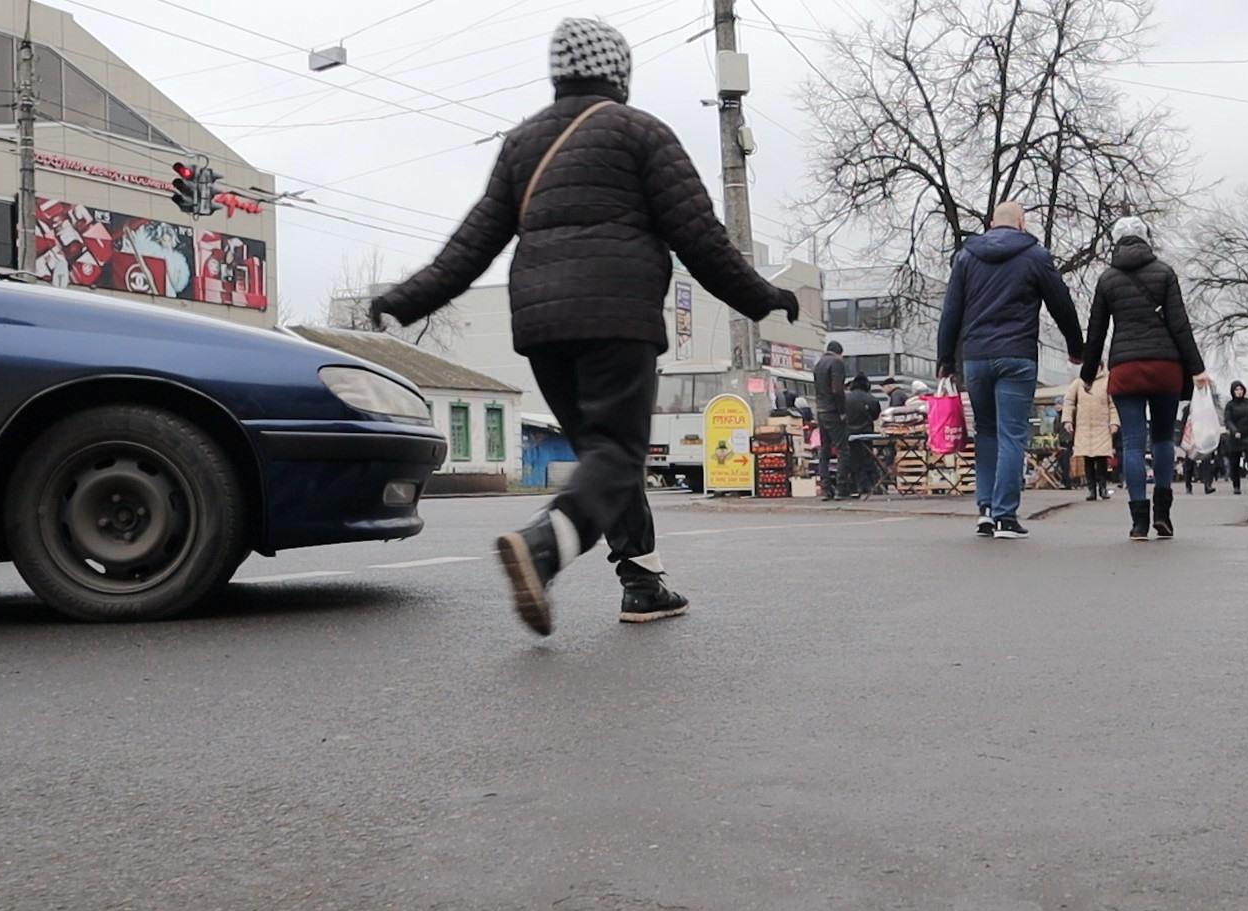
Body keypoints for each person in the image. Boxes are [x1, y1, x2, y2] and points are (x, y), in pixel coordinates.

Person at [368, 18, 798, 636]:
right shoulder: (640, 133)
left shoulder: (522, 144)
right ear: (617, 72)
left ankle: (643, 583)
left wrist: (405, 298)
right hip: (617, 317)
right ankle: (542, 548)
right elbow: (702, 240)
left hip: (542, 326)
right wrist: (763, 298)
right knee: (618, 455)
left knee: (605, 456)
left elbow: (471, 245)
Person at [937, 200, 1083, 541]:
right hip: (1017, 356)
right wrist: (1077, 349)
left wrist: (946, 360)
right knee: (1011, 434)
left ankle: (985, 511)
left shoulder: (966, 257)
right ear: (1021, 222)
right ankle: (1005, 516)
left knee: (985, 433)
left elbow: (951, 312)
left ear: (991, 223)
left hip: (976, 358)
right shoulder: (1035, 256)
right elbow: (1061, 304)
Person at [1079, 216, 1207, 541]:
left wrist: (1087, 372)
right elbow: (1179, 324)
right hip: (1165, 366)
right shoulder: (1164, 272)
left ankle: (1138, 521)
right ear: (1146, 239)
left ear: (1116, 241)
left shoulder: (1107, 279)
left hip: (1126, 368)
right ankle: (1163, 514)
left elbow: (1096, 331)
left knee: (1133, 444)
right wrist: (1196, 368)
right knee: (1163, 439)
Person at [1062, 369, 1118, 501]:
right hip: (1084, 427)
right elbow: (1069, 402)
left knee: (1102, 459)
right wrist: (1067, 420)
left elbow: (1113, 405)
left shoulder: (1107, 382)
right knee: (1088, 460)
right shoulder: (1078, 383)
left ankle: (1102, 488)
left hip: (1102, 427)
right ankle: (1091, 489)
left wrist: (1114, 422)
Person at [811, 341, 849, 500]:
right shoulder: (836, 363)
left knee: (824, 451)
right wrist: (842, 411)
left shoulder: (818, 364)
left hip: (821, 410)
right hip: (833, 411)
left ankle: (826, 489)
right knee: (843, 450)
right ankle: (841, 488)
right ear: (839, 353)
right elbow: (837, 389)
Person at [1222, 381, 1248, 495]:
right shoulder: (1230, 405)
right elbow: (1228, 420)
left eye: (1240, 389)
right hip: (1235, 436)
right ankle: (1236, 486)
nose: (1239, 392)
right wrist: (1234, 431)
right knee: (1234, 462)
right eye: (1236, 390)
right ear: (1233, 391)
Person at [844, 373, 883, 498]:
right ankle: (872, 485)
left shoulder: (846, 398)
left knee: (853, 460)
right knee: (868, 459)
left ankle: (857, 486)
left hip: (849, 434)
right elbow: (875, 415)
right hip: (867, 434)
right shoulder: (872, 399)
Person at [1178, 403, 1218, 495]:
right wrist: (1181, 439)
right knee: (1189, 463)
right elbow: (1183, 424)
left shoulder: (1207, 407)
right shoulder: (1188, 408)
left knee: (1206, 462)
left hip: (1204, 437)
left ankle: (1207, 485)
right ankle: (1188, 485)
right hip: (1191, 437)